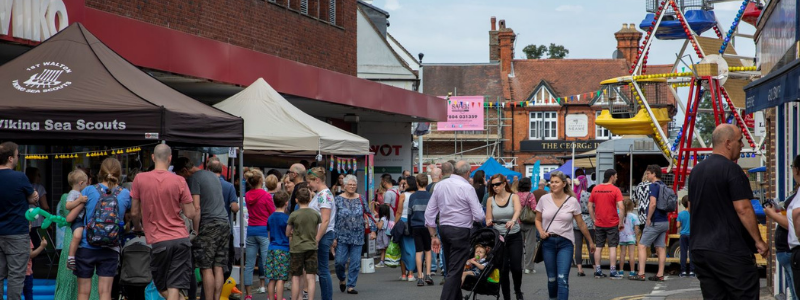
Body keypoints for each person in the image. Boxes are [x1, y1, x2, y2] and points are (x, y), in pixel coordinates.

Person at [688, 124, 767, 299]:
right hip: (729, 250)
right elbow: (743, 208)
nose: (742, 144)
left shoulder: (696, 172)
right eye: (740, 141)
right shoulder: (732, 170)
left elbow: (692, 208)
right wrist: (759, 241)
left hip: (700, 250)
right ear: (728, 143)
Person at [129, 144, 195, 300]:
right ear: (170, 158)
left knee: (160, 285)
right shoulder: (179, 180)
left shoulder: (140, 179)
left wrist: (138, 228)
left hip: (159, 241)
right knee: (174, 285)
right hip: (180, 238)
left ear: (153, 157)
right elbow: (191, 213)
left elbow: (134, 212)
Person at [425, 161, 485, 300]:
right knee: (455, 271)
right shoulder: (466, 187)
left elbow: (429, 214)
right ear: (468, 173)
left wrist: (433, 234)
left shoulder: (439, 185)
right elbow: (479, 215)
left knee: (452, 267)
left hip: (444, 229)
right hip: (461, 230)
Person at [174, 157, 231, 300]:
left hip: (209, 224)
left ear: (185, 171)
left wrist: (196, 230)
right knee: (218, 266)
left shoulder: (194, 179)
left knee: (206, 267)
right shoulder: (212, 175)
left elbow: (197, 207)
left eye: (181, 175)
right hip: (224, 222)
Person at [75, 157, 132, 300]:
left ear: (100, 172)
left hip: (86, 245)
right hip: (111, 246)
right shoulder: (124, 194)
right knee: (105, 292)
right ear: (119, 174)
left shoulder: (88, 190)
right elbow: (130, 215)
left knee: (83, 292)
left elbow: (77, 214)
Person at [536, 171, 594, 300]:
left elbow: (581, 223)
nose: (553, 185)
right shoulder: (544, 199)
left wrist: (590, 241)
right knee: (552, 279)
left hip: (565, 243)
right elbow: (538, 219)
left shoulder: (572, 201)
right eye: (552, 182)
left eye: (556, 182)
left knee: (562, 279)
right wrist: (541, 231)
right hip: (548, 242)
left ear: (563, 184)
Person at [333, 175, 375, 294]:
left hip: (358, 235)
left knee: (355, 262)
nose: (352, 187)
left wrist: (373, 230)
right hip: (341, 235)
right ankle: (342, 278)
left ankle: (351, 285)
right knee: (339, 262)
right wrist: (333, 237)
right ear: (344, 186)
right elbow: (333, 218)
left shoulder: (361, 198)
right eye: (350, 185)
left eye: (354, 185)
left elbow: (368, 214)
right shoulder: (338, 199)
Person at [485, 174, 523, 300]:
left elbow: (518, 210)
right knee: (503, 269)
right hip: (499, 238)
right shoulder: (491, 199)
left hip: (514, 236)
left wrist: (513, 220)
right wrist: (489, 221)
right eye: (493, 185)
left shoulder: (514, 197)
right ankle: (507, 297)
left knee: (516, 267)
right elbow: (488, 218)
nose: (495, 187)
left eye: (497, 184)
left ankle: (518, 290)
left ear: (504, 184)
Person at [631, 165, 670, 282]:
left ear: (653, 174)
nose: (647, 175)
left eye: (648, 173)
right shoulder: (664, 185)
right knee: (661, 248)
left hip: (655, 221)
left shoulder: (654, 186)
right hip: (664, 221)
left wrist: (648, 218)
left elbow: (652, 204)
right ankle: (660, 274)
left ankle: (641, 273)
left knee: (642, 246)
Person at [765, 165, 797, 300]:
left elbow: (793, 225)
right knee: (794, 292)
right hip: (786, 252)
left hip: (791, 252)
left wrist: (772, 214)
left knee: (796, 292)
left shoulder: (798, 200)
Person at [243, 169, 275, 300]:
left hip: (251, 230)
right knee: (267, 262)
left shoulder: (247, 195)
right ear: (261, 181)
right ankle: (270, 294)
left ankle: (248, 294)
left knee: (249, 264)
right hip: (263, 230)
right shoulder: (266, 195)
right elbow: (272, 212)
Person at [306, 167, 336, 300]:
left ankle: (327, 298)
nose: (308, 185)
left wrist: (317, 239)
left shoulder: (323, 195)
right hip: (322, 234)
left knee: (323, 270)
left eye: (309, 182)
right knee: (322, 270)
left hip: (323, 235)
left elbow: (325, 220)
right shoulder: (322, 194)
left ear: (317, 180)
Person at [588, 169, 624, 279]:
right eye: (616, 176)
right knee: (612, 247)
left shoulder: (595, 189)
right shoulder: (615, 190)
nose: (617, 178)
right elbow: (621, 207)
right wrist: (621, 222)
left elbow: (590, 206)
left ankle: (598, 271)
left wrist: (594, 219)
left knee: (598, 247)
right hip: (612, 223)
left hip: (599, 223)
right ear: (612, 177)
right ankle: (613, 271)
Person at [208, 158, 240, 283]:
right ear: (221, 170)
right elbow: (234, 207)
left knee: (208, 266)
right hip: (226, 229)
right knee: (222, 265)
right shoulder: (229, 186)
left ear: (208, 169)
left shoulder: (206, 184)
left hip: (208, 228)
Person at [287, 186, 321, 300]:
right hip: (311, 247)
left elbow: (287, 232)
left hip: (297, 248)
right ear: (310, 199)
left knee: (296, 277)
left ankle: (296, 298)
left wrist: (292, 233)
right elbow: (316, 231)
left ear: (296, 200)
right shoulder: (315, 214)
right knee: (311, 277)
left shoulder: (294, 215)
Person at [408, 174, 433, 286]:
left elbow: (409, 213)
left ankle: (419, 276)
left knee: (419, 251)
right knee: (428, 250)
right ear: (427, 183)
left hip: (416, 226)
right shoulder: (430, 196)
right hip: (428, 226)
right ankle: (428, 274)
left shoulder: (412, 197)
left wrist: (409, 227)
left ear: (417, 183)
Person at [266, 191, 291, 300]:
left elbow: (269, 235)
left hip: (272, 248)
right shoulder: (287, 219)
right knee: (281, 278)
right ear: (286, 203)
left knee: (272, 278)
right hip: (283, 249)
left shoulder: (270, 218)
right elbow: (289, 235)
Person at [64, 169, 89, 271]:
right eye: (86, 183)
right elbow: (68, 205)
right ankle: (71, 258)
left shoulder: (81, 192)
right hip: (77, 220)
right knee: (77, 235)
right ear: (81, 183)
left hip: (83, 219)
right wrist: (79, 200)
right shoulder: (73, 193)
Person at [395, 176, 418, 281]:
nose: (404, 185)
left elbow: (399, 211)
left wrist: (395, 224)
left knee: (403, 248)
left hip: (403, 222)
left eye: (405, 183)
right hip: (414, 222)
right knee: (412, 248)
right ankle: (411, 273)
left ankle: (403, 274)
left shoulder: (403, 195)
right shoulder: (417, 195)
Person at [574, 184, 595, 277]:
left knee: (578, 246)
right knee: (591, 245)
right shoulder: (589, 195)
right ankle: (595, 268)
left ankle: (579, 269)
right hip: (588, 221)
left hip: (576, 221)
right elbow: (593, 207)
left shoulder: (575, 195)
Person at [517, 178, 537, 275]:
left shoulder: (515, 195)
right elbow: (534, 208)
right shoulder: (530, 195)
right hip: (529, 222)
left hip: (517, 222)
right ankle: (528, 267)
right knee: (530, 245)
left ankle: (519, 266)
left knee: (518, 246)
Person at [25, 167, 49, 250]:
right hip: (38, 220)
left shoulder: (24, 186)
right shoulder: (39, 188)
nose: (40, 177)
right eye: (38, 175)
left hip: (26, 217)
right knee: (37, 244)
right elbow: (45, 206)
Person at [618, 199, 639, 278]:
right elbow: (636, 229)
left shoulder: (620, 216)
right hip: (631, 237)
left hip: (622, 236)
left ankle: (621, 271)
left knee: (622, 254)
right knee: (631, 254)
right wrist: (636, 238)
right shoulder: (634, 216)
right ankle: (632, 271)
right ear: (632, 207)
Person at [22, 235, 46, 300]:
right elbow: (31, 255)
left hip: (15, 271)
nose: (30, 226)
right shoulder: (26, 238)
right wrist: (42, 246)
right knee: (28, 292)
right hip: (27, 272)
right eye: (29, 224)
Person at [675, 196, 694, 277]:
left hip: (683, 235)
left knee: (683, 253)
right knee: (692, 253)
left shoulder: (681, 214)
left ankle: (683, 271)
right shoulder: (693, 213)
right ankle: (692, 271)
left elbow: (678, 225)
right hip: (692, 235)